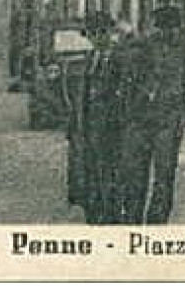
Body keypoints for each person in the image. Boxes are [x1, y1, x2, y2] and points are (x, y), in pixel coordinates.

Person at [118, 5, 185, 224]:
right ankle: (133, 220)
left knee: (163, 176)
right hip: (140, 119)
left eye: (172, 27)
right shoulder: (142, 48)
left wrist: (182, 116)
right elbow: (127, 78)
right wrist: (129, 111)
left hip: (168, 120)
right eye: (163, 27)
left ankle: (156, 223)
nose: (167, 32)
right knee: (135, 175)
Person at [61, 12, 126, 223]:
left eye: (102, 33)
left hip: (111, 128)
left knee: (110, 174)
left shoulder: (121, 60)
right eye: (93, 34)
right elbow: (80, 96)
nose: (98, 38)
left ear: (110, 33)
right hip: (87, 128)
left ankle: (111, 216)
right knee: (89, 174)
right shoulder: (88, 60)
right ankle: (94, 213)